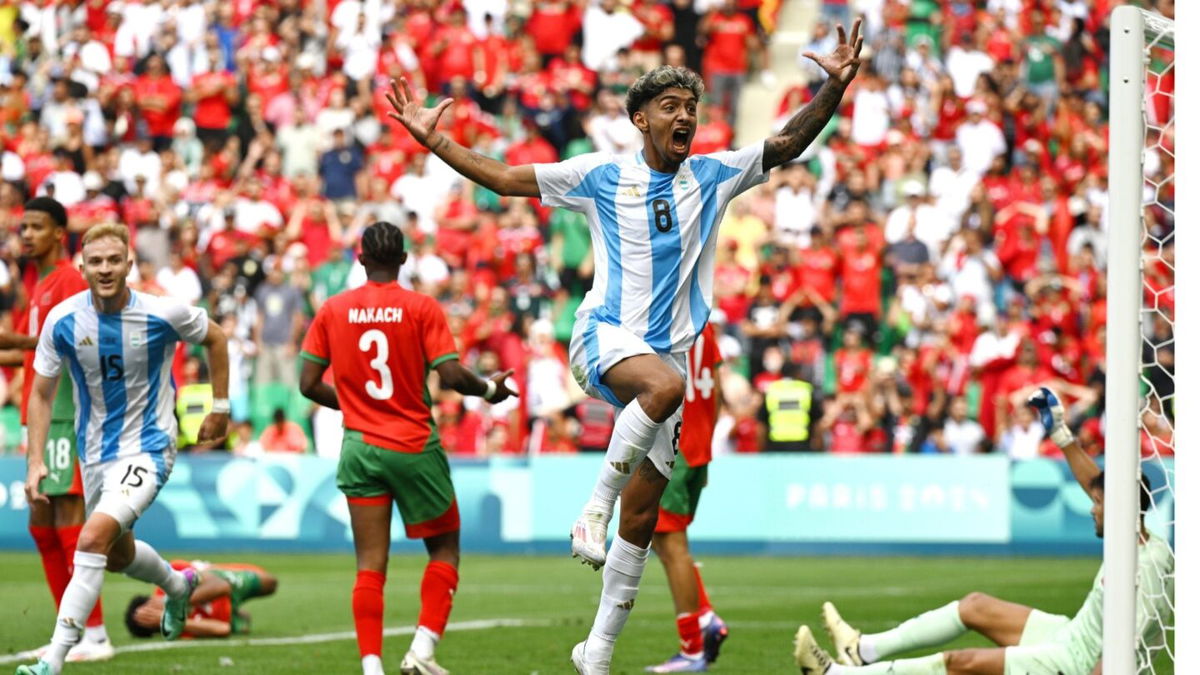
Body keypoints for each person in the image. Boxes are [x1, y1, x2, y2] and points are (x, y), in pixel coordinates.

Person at [384, 17, 863, 674]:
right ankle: (590, 510)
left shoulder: (716, 174)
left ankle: (597, 652)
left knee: (643, 520)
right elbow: (501, 179)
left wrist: (832, 89)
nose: (684, 115)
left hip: (664, 360)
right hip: (602, 337)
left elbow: (787, 142)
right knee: (659, 402)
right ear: (640, 119)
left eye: (691, 106)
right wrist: (435, 141)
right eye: (670, 106)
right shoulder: (599, 176)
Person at [794, 387, 1174, 675]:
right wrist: (1061, 434)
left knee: (961, 662)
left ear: (1121, 509)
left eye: (1099, 505)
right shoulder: (1131, 534)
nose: (1092, 508)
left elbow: (1122, 654)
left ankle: (835, 673)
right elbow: (1099, 486)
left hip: (1077, 663)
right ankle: (863, 650)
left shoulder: (1147, 567)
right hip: (1072, 635)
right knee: (975, 605)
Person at [298, 221, 517, 675]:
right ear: (403, 260)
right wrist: (490, 391)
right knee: (445, 549)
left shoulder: (333, 309)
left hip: (360, 446)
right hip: (413, 444)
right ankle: (421, 650)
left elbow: (307, 384)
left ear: (360, 260)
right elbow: (452, 376)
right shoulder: (420, 307)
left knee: (369, 565)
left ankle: (372, 668)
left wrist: (356, 403)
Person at [17, 223, 231, 675]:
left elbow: (216, 337)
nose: (105, 269)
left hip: (149, 449)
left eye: (114, 260)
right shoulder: (64, 320)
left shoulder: (160, 313)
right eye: (95, 261)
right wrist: (35, 460)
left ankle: (54, 659)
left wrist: (222, 406)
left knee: (91, 537)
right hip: (94, 454)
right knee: (115, 555)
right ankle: (177, 586)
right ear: (83, 267)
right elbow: (40, 393)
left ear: (129, 264)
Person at [2, 198, 111, 663]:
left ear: (59, 234)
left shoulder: (69, 279)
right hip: (41, 417)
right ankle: (67, 629)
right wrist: (14, 349)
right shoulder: (41, 283)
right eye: (23, 226)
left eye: (37, 227)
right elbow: (34, 355)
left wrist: (19, 340)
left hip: (67, 414)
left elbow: (75, 340)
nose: (26, 234)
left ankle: (96, 633)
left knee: (69, 521)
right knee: (41, 525)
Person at [645, 322, 729, 673]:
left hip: (673, 446)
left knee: (672, 543)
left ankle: (693, 648)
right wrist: (706, 445)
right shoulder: (704, 326)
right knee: (663, 540)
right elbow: (717, 388)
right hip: (697, 446)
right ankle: (706, 616)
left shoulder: (658, 320)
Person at [125, 561, 278, 639]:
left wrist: (174, 602)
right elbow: (223, 629)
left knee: (270, 583)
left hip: (221, 582)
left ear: (152, 601)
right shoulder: (177, 630)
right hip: (225, 615)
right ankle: (237, 613)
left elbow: (222, 586)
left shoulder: (171, 576)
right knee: (244, 626)